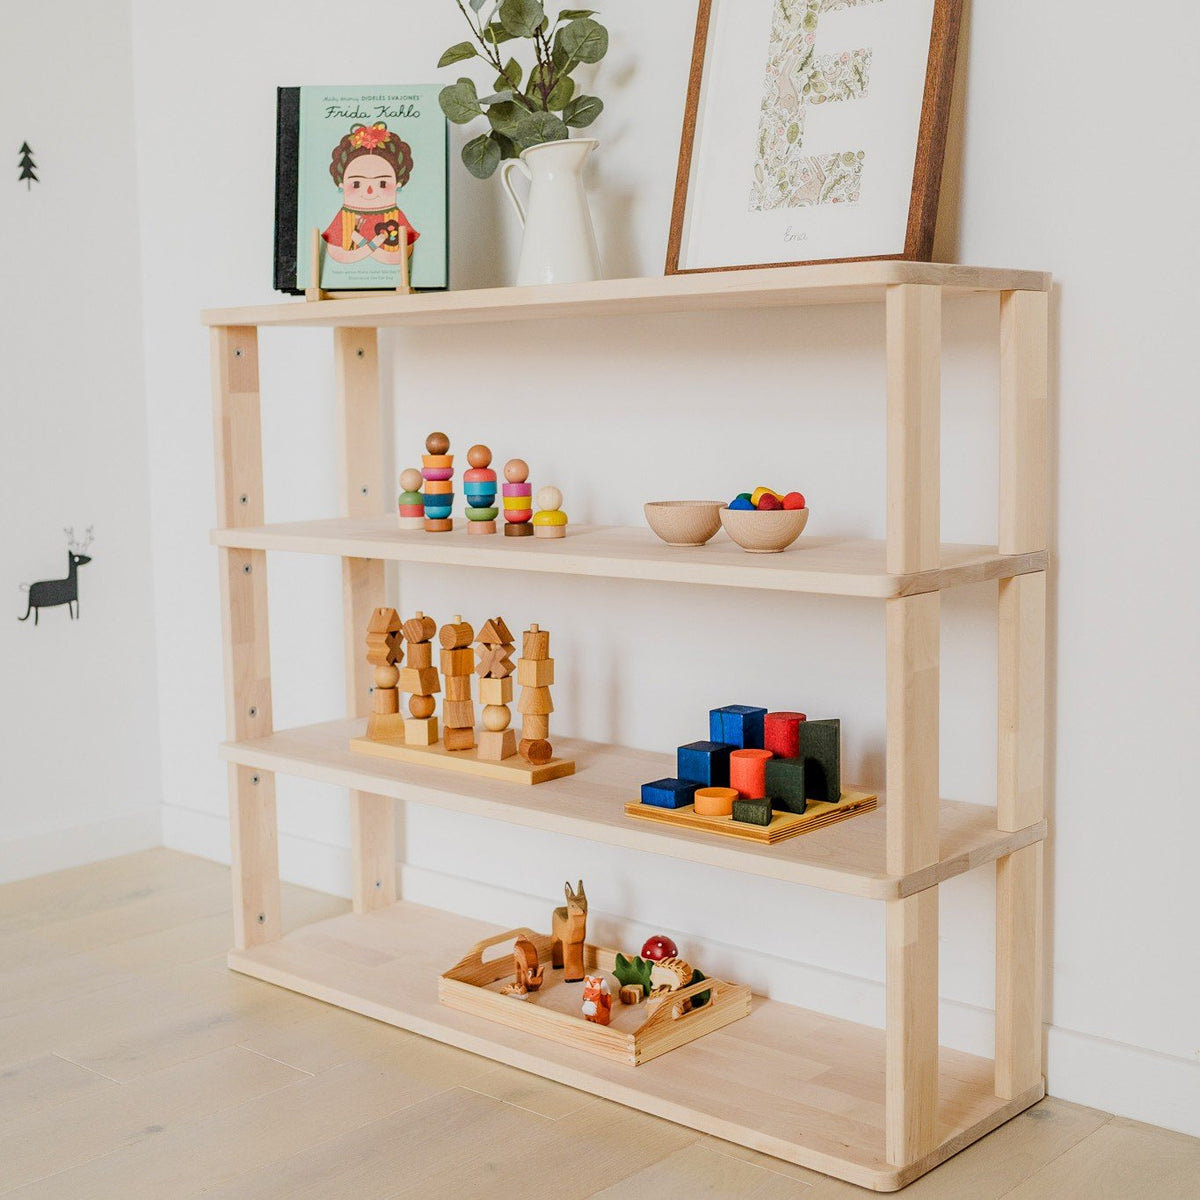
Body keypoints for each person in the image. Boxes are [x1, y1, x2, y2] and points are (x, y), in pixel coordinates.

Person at [323, 122, 418, 265]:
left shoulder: (396, 216)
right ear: (341, 184)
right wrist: (372, 245)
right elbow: (337, 253)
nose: (369, 191)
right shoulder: (344, 217)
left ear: (398, 183)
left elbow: (401, 256)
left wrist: (364, 243)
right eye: (356, 184)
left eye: (382, 183)